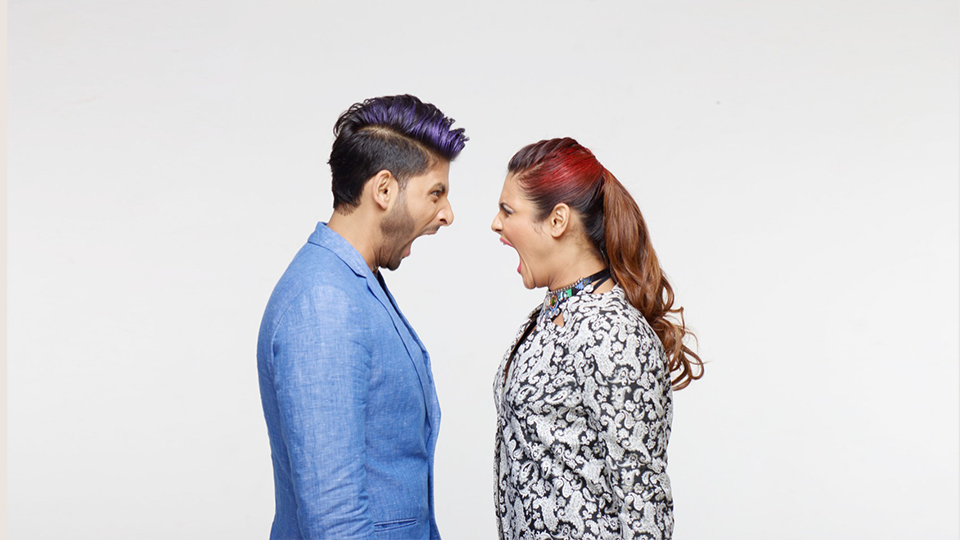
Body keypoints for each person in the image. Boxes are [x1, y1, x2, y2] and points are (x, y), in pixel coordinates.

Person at [257, 95, 467, 540]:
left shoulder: (352, 282)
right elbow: (334, 518)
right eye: (436, 193)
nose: (447, 214)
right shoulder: (323, 301)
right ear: (384, 189)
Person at [490, 138, 703, 540]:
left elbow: (643, 501)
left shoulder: (613, 332)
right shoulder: (550, 316)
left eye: (508, 211)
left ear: (557, 220)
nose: (496, 224)